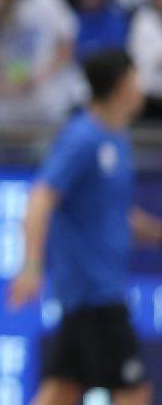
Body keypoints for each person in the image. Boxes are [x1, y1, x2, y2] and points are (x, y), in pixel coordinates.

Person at [9, 49, 162, 405]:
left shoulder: (117, 139)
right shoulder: (82, 137)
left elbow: (113, 210)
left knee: (62, 391)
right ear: (121, 85)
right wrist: (31, 265)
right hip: (93, 290)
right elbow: (40, 200)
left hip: (97, 290)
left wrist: (154, 232)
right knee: (133, 391)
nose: (141, 89)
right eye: (136, 79)